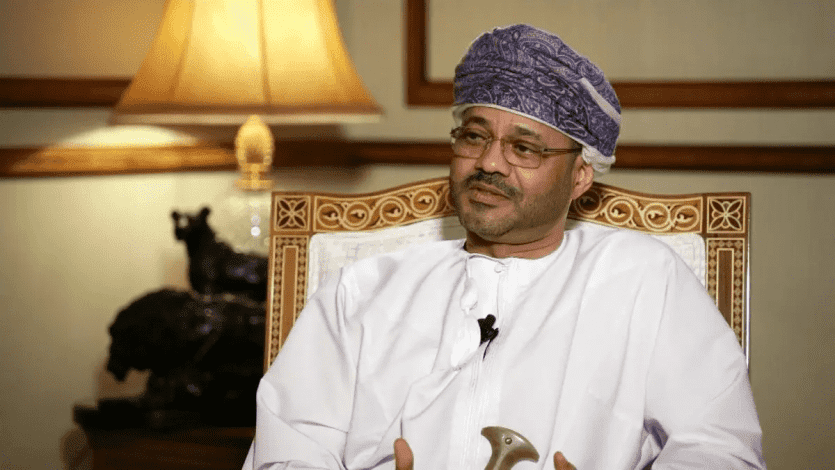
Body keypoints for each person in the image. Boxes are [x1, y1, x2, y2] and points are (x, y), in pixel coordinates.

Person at [243, 24, 765, 469]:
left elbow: (720, 450)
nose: (489, 163)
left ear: (581, 176)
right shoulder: (362, 291)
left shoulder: (643, 280)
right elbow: (287, 450)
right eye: (474, 137)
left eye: (523, 147)